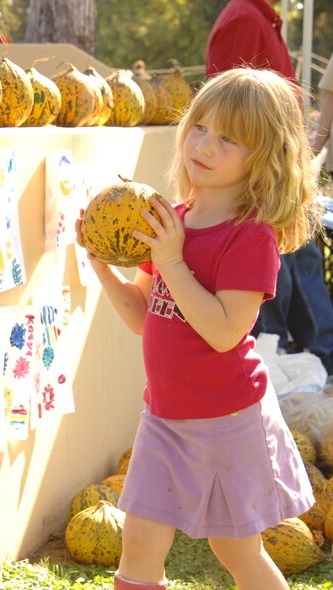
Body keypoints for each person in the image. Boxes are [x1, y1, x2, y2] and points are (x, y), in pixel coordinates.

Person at [75, 68, 318, 589]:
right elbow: (145, 316)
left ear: (264, 155)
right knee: (137, 543)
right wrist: (103, 266)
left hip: (229, 422)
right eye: (200, 127)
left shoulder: (249, 238)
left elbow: (226, 332)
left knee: (237, 553)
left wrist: (173, 259)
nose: (204, 145)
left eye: (228, 138)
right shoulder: (170, 219)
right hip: (163, 417)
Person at [207, 0, 333, 372]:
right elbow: (227, 107)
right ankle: (303, 360)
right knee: (275, 273)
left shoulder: (261, 18)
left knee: (297, 264)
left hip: (281, 169)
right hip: (264, 173)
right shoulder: (245, 18)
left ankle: (309, 359)